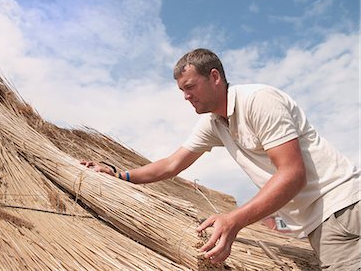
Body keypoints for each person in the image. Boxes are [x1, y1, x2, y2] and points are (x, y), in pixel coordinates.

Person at [81, 48, 360, 270]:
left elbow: (293, 174)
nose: (186, 97)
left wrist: (234, 220)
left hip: (341, 208)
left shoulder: (258, 101)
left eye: (190, 87)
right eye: (182, 91)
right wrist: (120, 176)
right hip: (321, 220)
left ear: (214, 77)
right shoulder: (214, 123)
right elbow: (170, 165)